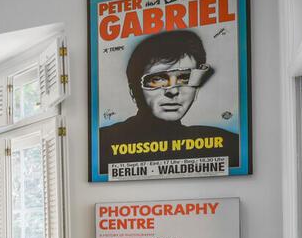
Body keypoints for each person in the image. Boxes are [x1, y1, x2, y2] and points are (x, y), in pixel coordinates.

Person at [96, 29, 241, 176]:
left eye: (185, 78)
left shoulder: (227, 144)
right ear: (133, 91)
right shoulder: (102, 143)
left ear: (196, 89)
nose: (173, 91)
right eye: (158, 79)